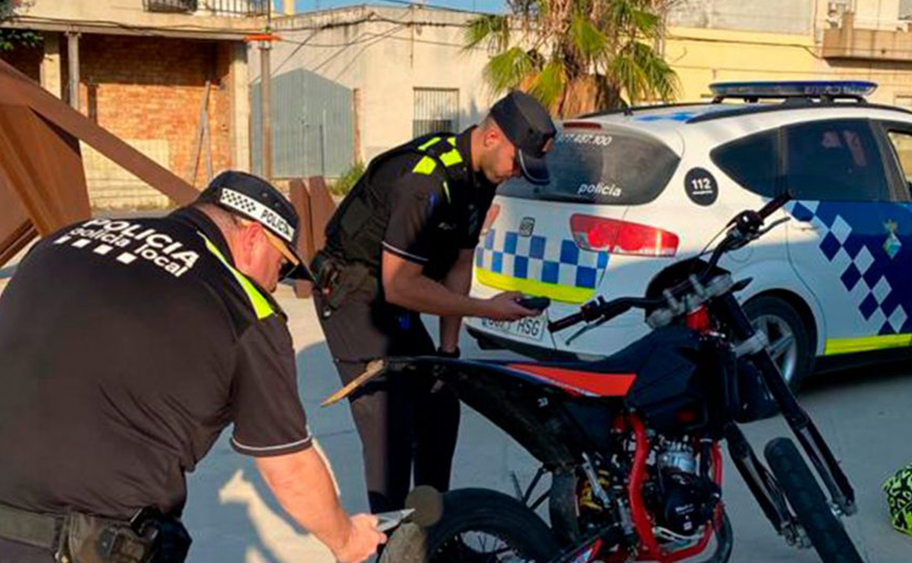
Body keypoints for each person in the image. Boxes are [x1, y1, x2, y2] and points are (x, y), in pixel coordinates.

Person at [0, 171, 384, 563]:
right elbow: (288, 469)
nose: (274, 284)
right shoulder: (243, 306)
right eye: (282, 266)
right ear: (254, 237)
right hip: (89, 544)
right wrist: (346, 538)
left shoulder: (63, 241)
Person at [312, 91, 557, 513]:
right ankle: (392, 549)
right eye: (518, 163)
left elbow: (460, 263)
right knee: (390, 430)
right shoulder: (424, 181)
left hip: (393, 294)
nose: (518, 174)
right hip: (354, 294)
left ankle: (430, 534)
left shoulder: (481, 176)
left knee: (440, 408)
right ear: (493, 136)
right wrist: (488, 309)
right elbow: (400, 286)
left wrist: (448, 352)